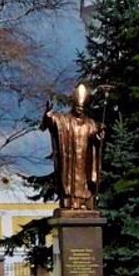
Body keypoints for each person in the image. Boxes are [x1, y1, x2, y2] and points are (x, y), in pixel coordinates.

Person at [40, 82, 105, 211]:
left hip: (84, 160)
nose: (79, 110)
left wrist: (99, 137)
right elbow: (51, 121)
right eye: (77, 107)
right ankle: (70, 202)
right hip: (69, 160)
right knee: (69, 180)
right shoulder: (64, 120)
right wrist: (48, 114)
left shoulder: (91, 123)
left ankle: (85, 202)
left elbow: (95, 139)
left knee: (84, 182)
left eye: (82, 107)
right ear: (73, 105)